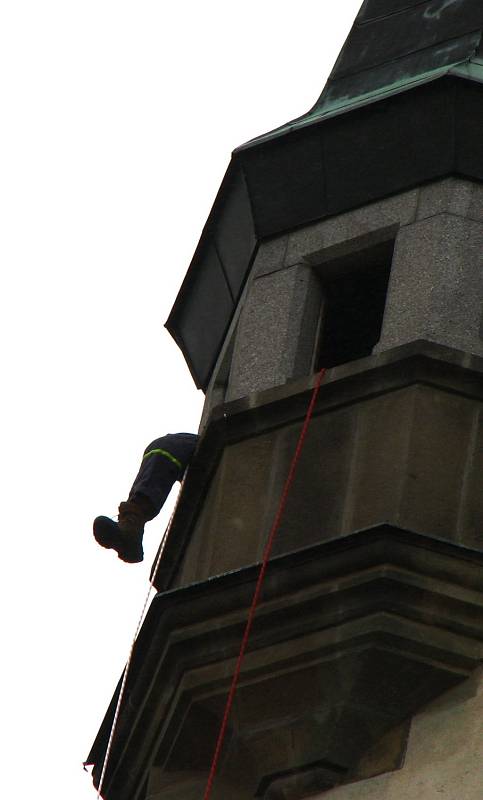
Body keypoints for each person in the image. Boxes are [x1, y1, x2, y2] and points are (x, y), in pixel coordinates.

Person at [93, 433, 198, 563]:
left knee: (162, 449)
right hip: (185, 446)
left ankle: (132, 523)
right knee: (161, 449)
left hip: (186, 445)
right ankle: (131, 521)